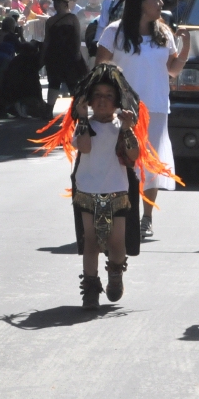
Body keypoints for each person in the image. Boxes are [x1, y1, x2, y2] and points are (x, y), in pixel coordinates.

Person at [96, 0, 190, 238]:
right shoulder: (114, 32)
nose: (161, 4)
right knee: (119, 162)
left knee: (149, 163)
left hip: (156, 108)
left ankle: (146, 218)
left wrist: (185, 49)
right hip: (122, 111)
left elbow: (172, 70)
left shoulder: (164, 33)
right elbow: (101, 69)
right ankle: (117, 213)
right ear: (140, 3)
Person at [69, 68, 140, 310]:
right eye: (97, 94)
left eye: (108, 95)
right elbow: (85, 147)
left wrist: (128, 129)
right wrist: (81, 118)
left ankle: (116, 274)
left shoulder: (121, 126)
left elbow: (134, 154)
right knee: (91, 242)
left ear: (117, 101)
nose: (102, 99)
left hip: (117, 191)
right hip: (87, 191)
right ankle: (90, 290)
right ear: (88, 100)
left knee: (117, 242)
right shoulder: (83, 126)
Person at [42, 0, 86, 111]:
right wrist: (43, 56)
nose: (56, 4)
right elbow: (47, 40)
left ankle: (79, 111)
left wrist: (77, 54)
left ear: (64, 3)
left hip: (70, 56)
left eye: (58, 2)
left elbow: (77, 37)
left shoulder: (73, 18)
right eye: (55, 2)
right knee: (54, 83)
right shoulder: (50, 21)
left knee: (73, 84)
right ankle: (48, 110)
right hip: (54, 56)